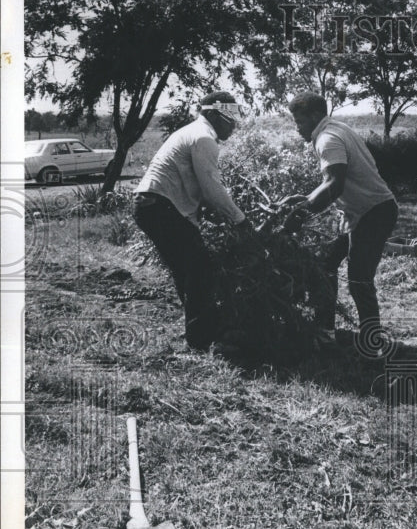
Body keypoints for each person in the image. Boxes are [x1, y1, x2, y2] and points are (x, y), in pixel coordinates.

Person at [280, 91, 398, 356]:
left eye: (299, 122)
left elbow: (335, 183)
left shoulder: (328, 138)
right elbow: (333, 180)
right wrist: (307, 197)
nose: (298, 128)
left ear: (313, 116)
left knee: (359, 279)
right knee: (324, 265)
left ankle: (372, 345)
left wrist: (301, 215)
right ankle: (325, 332)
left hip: (374, 212)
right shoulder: (337, 128)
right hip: (359, 212)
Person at [133, 91, 252, 351]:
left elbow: (197, 189)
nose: (232, 126)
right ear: (211, 113)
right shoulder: (203, 138)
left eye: (234, 120)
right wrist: (240, 220)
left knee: (187, 271)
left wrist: (214, 213)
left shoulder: (191, 132)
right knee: (201, 269)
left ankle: (199, 334)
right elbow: (212, 189)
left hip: (151, 206)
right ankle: (202, 339)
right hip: (160, 207)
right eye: (227, 119)